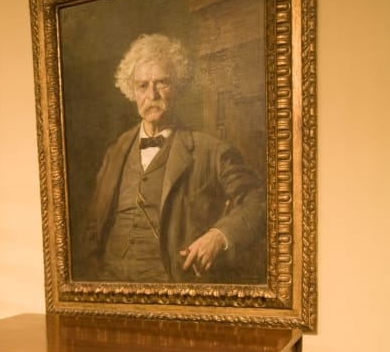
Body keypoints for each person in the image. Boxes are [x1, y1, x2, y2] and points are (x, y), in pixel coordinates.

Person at [80, 33, 266, 283]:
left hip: (173, 287)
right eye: (142, 85)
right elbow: (93, 226)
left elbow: (260, 202)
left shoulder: (210, 150)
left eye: (162, 82)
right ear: (131, 92)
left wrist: (219, 235)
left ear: (178, 86)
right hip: (109, 284)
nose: (152, 94)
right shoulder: (116, 150)